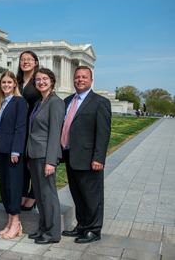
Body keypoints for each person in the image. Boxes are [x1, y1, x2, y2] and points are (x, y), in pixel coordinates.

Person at [61, 66, 111, 243]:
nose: (80, 80)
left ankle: (94, 230)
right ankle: (81, 226)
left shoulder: (99, 102)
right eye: (77, 77)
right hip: (71, 157)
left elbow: (103, 133)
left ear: (91, 80)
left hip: (90, 159)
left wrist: (99, 157)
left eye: (84, 77)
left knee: (92, 196)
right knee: (78, 194)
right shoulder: (67, 100)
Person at [26, 68, 64, 245]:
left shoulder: (55, 102)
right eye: (38, 79)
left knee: (48, 195)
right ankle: (43, 229)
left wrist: (51, 161)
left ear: (52, 81)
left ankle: (53, 233)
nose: (41, 82)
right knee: (40, 196)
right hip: (34, 155)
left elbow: (55, 133)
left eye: (45, 79)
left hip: (45, 157)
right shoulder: (39, 103)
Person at [0, 71, 27, 239]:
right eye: (3, 82)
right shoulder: (0, 103)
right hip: (0, 151)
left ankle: (16, 222)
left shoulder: (19, 101)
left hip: (12, 152)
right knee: (5, 187)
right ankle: (9, 221)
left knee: (13, 187)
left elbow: (21, 128)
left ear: (15, 84)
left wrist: (16, 150)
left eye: (9, 82)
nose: (6, 85)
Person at [16, 51, 41, 211]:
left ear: (36, 62)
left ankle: (34, 195)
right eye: (22, 60)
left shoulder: (38, 80)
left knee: (33, 161)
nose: (25, 62)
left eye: (29, 60)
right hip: (18, 127)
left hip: (34, 126)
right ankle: (23, 191)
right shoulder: (16, 81)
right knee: (21, 161)